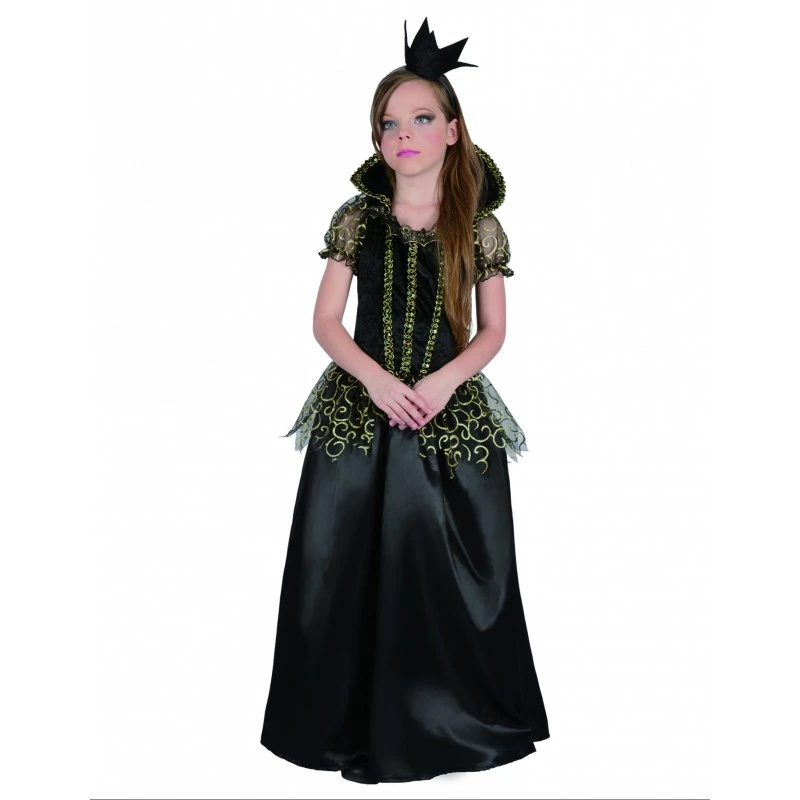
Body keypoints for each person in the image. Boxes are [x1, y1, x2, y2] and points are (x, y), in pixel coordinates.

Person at [259, 17, 550, 784]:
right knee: (338, 561)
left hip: (447, 409)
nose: (405, 135)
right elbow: (326, 321)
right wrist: (377, 380)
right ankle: (339, 720)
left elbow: (493, 331)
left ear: (453, 130)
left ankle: (446, 718)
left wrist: (443, 381)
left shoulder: (478, 228)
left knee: (447, 567)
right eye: (389, 124)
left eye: (422, 119)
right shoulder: (358, 219)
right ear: (378, 139)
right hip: (361, 408)